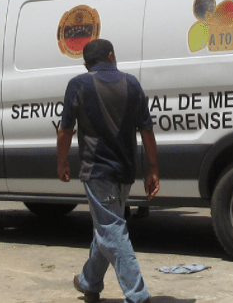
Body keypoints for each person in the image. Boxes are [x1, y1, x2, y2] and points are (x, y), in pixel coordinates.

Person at [57, 39, 159, 302]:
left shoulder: (79, 84)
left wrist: (62, 162)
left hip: (97, 172)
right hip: (125, 172)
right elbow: (147, 130)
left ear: (85, 64)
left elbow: (65, 130)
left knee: (111, 229)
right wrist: (153, 169)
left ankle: (138, 296)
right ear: (111, 56)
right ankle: (89, 282)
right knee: (106, 228)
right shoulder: (132, 83)